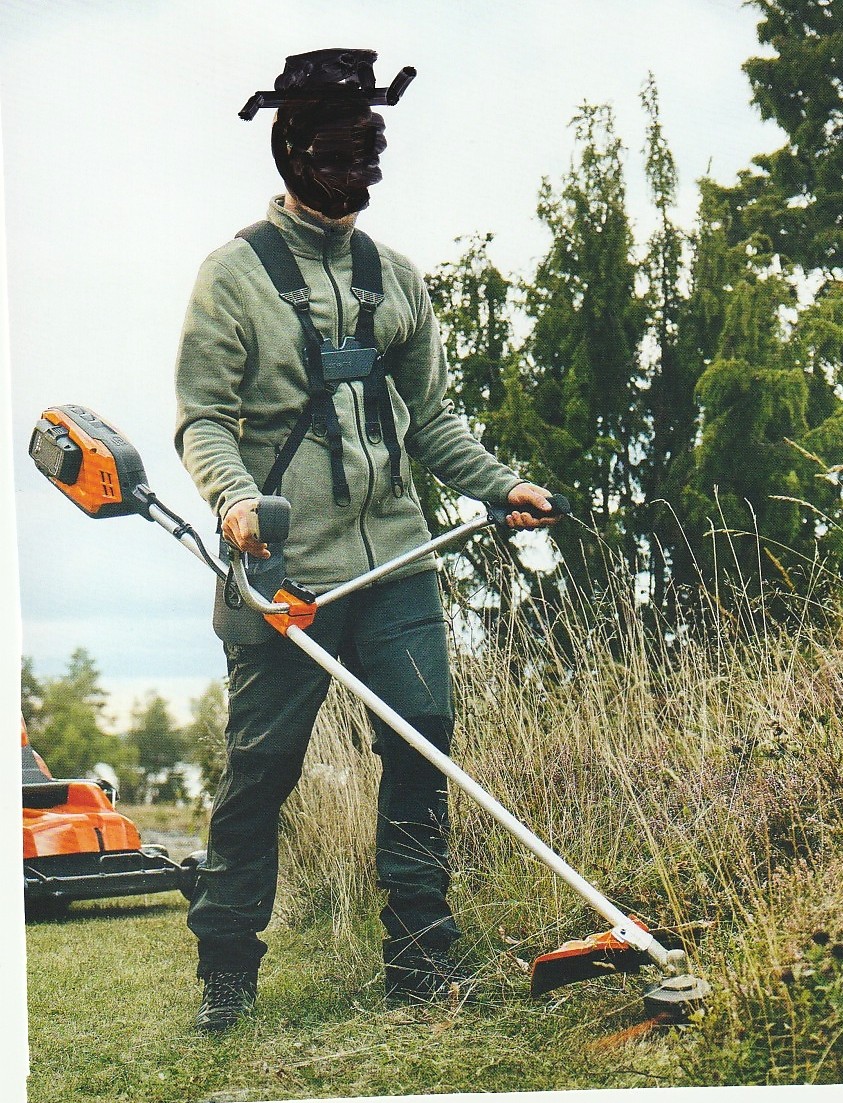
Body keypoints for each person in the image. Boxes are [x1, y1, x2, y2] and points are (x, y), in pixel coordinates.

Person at [174, 48, 557, 1033]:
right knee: (261, 771)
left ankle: (422, 959)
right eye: (342, 157)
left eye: (371, 155)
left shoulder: (397, 278)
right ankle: (227, 971)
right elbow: (203, 419)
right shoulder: (233, 278)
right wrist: (236, 499)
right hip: (282, 567)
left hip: (396, 558)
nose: (362, 177)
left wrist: (501, 484)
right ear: (293, 152)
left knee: (423, 740)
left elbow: (433, 423)